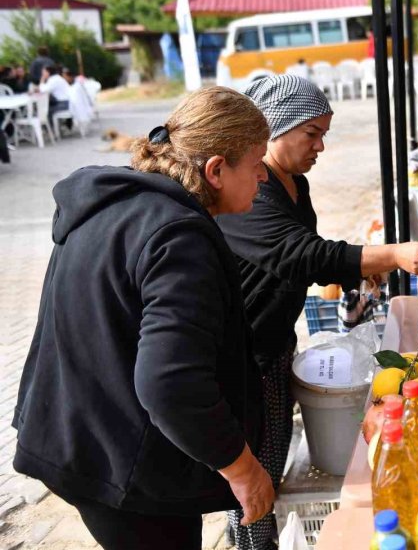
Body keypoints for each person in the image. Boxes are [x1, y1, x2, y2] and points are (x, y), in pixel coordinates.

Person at [13, 87, 275, 550]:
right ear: (216, 170)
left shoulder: (117, 203)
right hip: (121, 467)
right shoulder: (179, 237)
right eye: (257, 165)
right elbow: (171, 384)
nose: (264, 178)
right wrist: (243, 470)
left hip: (77, 436)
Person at [215, 75, 418, 549]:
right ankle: (254, 543)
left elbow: (311, 257)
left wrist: (358, 273)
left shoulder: (293, 182)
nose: (319, 146)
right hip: (245, 355)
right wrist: (390, 254)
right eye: (311, 133)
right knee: (255, 476)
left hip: (276, 342)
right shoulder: (255, 191)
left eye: (324, 134)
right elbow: (296, 254)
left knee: (271, 460)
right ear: (277, 128)